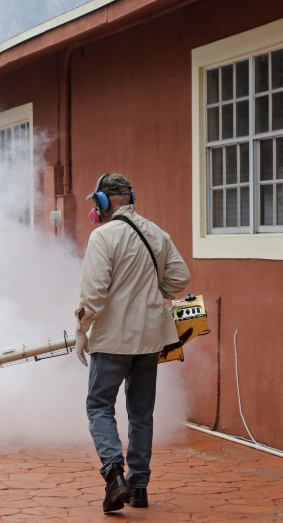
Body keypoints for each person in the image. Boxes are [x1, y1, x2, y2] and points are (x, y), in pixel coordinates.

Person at [73, 173, 190, 513]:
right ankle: (139, 487)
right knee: (141, 413)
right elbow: (180, 278)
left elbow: (93, 295)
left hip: (112, 340)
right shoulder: (157, 233)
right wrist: (152, 295)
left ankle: (114, 475)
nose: (96, 208)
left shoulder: (103, 236)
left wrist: (83, 329)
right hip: (151, 338)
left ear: (106, 202)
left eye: (98, 201)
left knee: (99, 406)